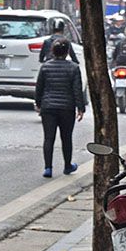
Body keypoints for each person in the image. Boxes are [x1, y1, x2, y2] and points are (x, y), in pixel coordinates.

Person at [36, 38, 85, 178]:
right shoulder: (74, 68)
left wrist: (38, 104)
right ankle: (67, 166)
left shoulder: (45, 67)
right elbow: (77, 90)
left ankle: (48, 168)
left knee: (48, 138)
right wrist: (80, 108)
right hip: (67, 108)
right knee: (66, 137)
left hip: (48, 107)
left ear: (52, 51)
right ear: (67, 51)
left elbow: (39, 88)